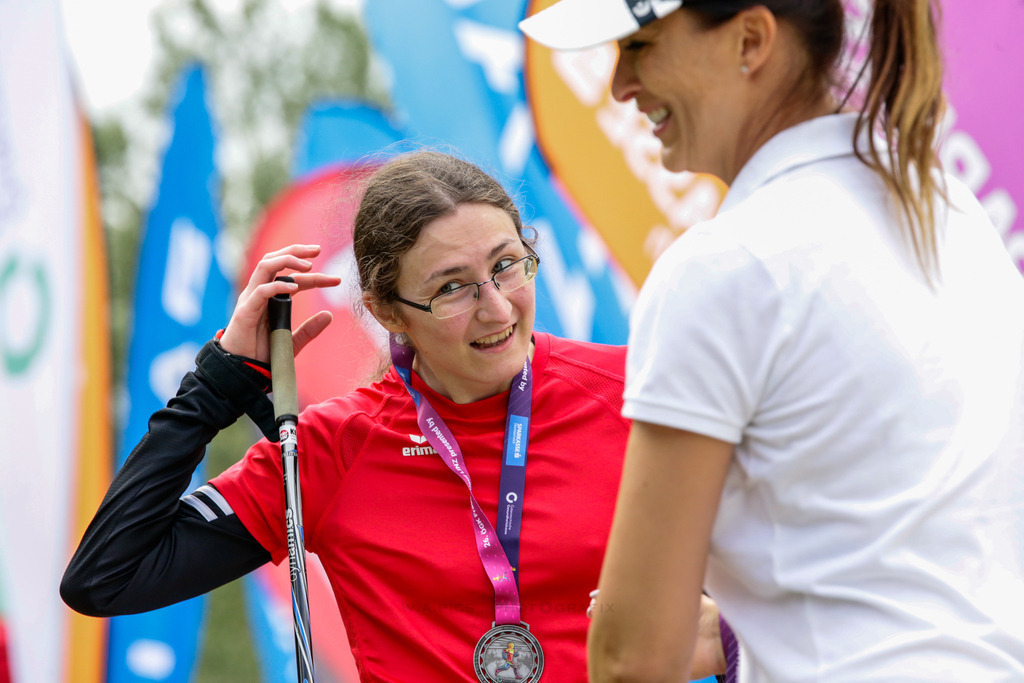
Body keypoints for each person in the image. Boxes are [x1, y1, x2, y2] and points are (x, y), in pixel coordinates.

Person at [61, 150, 732, 682]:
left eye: (507, 266)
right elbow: (105, 576)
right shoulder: (333, 449)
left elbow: (785, 573)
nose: (497, 308)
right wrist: (219, 382)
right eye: (452, 288)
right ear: (386, 310)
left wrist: (728, 638)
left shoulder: (635, 392)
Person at [520, 0, 1024, 681]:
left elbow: (632, 658)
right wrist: (746, 633)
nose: (619, 85)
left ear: (751, 39)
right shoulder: (951, 209)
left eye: (640, 45)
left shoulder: (722, 268)